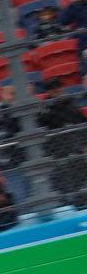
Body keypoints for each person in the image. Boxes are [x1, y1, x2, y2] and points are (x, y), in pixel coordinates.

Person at [37, 77, 87, 207]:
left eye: (59, 88)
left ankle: (81, 205)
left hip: (77, 150)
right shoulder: (45, 109)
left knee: (81, 181)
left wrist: (84, 145)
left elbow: (82, 124)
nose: (57, 91)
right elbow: (42, 130)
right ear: (49, 92)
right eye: (54, 89)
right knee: (66, 185)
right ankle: (71, 207)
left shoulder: (71, 104)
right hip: (58, 154)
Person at [0, 84, 31, 202]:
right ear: (2, 93)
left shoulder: (25, 104)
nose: (13, 97)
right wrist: (14, 105)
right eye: (11, 94)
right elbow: (12, 126)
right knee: (20, 196)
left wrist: (27, 97)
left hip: (27, 156)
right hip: (10, 160)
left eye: (15, 93)